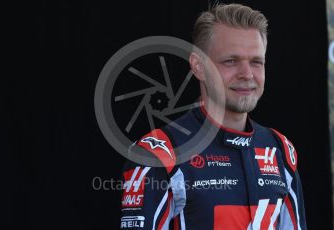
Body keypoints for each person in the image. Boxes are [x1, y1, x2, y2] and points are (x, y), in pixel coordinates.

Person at [119, 3, 306, 229]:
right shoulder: (159, 154)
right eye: (230, 61)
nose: (247, 74)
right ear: (198, 66)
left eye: (256, 62)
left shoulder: (281, 151)